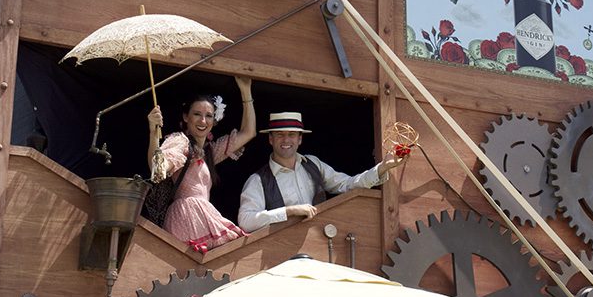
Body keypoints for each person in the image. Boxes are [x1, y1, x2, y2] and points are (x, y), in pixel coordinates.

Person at [238, 111, 402, 232]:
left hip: (320, 243)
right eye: (280, 135)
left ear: (300, 139)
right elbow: (246, 221)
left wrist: (382, 167)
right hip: (280, 255)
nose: (286, 140)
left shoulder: (313, 163)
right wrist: (290, 211)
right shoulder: (257, 180)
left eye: (292, 135)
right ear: (270, 139)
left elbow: (347, 184)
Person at [147, 76, 255, 253]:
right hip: (186, 215)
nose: (203, 121)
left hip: (200, 215)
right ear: (186, 117)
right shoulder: (180, 141)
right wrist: (153, 132)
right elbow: (157, 169)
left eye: (209, 116)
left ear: (215, 120)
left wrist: (245, 89)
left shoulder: (210, 151)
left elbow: (249, 132)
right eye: (197, 114)